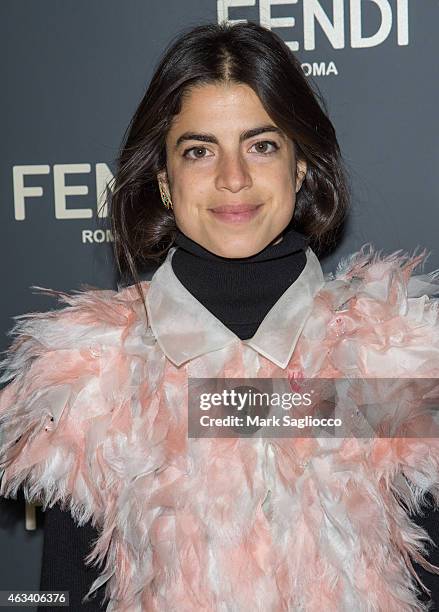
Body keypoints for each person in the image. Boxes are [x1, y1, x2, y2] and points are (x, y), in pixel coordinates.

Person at [1, 20, 439, 612]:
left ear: (301, 166)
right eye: (200, 150)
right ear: (163, 176)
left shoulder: (394, 352)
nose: (233, 179)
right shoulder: (89, 373)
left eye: (262, 145)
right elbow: (60, 593)